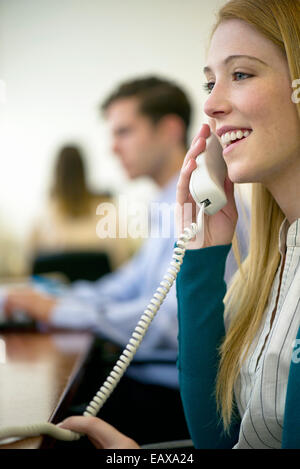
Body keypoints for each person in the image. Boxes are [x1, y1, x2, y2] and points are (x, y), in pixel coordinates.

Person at [4, 76, 248, 445]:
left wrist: (60, 311)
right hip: (153, 382)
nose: (113, 148)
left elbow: (172, 323)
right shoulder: (167, 203)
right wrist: (58, 300)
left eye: (124, 132)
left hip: (173, 398)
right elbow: (127, 286)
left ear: (169, 129)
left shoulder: (206, 208)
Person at [26, 144, 133, 271]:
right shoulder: (106, 213)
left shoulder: (44, 217)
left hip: (62, 289)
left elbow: (29, 263)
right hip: (102, 286)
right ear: (84, 171)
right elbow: (122, 262)